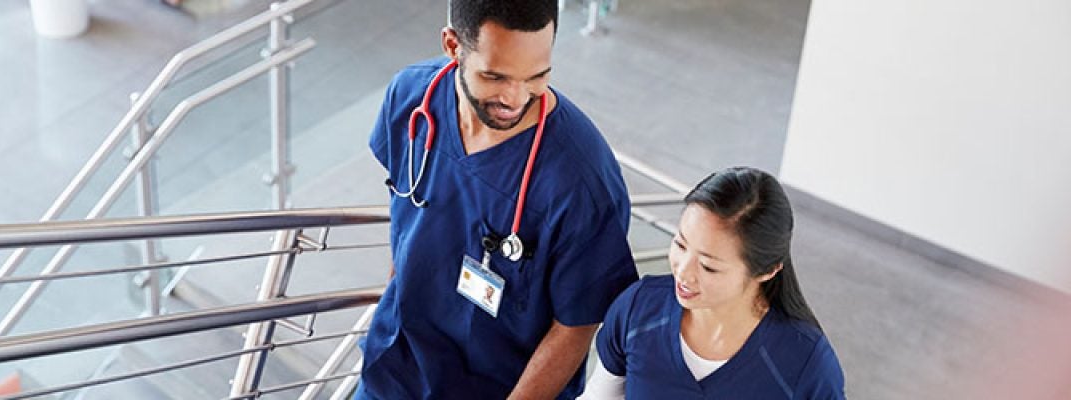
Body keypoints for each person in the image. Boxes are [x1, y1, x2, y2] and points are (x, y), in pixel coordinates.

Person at [359, 1, 638, 399]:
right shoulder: (411, 97)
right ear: (452, 45)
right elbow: (406, 213)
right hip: (393, 372)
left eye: (536, 77)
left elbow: (575, 326)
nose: (515, 98)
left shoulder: (581, 181)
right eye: (495, 76)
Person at [583, 167, 845, 399]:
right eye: (680, 244)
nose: (683, 272)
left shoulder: (805, 365)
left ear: (767, 271)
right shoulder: (639, 309)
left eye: (708, 267)